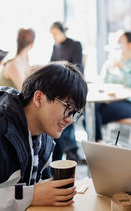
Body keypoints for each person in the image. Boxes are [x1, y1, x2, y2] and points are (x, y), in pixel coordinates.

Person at [0, 62, 88, 210]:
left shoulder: (45, 139)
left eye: (76, 113)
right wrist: (30, 195)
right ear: (39, 98)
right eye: (68, 108)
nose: (70, 119)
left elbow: (42, 189)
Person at [95, 31, 131, 142]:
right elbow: (102, 82)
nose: (117, 45)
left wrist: (121, 69)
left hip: (129, 103)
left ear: (130, 45)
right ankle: (98, 142)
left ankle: (97, 142)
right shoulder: (111, 62)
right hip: (109, 101)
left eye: (120, 42)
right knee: (91, 110)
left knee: (92, 115)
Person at [49, 21, 84, 161]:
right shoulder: (55, 46)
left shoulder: (75, 45)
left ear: (62, 31)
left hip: (73, 83)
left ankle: (68, 151)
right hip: (61, 85)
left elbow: (78, 67)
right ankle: (71, 150)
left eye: (55, 33)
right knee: (60, 113)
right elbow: (51, 64)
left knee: (64, 111)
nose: (54, 37)